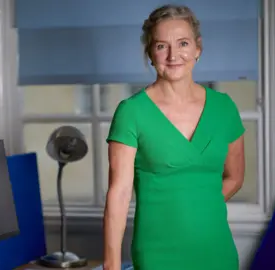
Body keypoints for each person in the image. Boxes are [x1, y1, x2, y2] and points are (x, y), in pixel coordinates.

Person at [103, 4, 245, 270]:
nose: (173, 55)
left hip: (216, 251)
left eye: (182, 43)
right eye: (161, 46)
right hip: (157, 253)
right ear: (150, 53)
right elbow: (119, 194)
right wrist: (111, 265)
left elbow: (235, 177)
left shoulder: (225, 108)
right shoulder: (131, 112)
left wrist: (197, 206)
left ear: (197, 49)